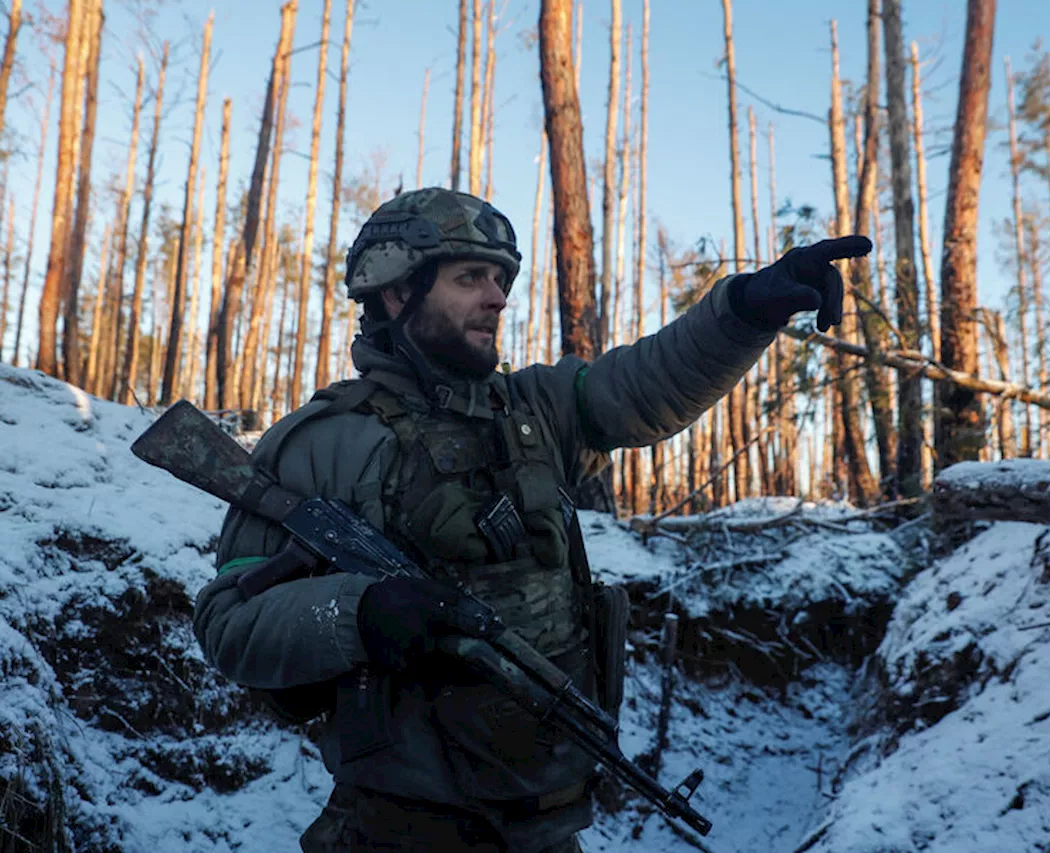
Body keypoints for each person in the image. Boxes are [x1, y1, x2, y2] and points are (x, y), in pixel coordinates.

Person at [192, 187, 871, 852]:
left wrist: (748, 309)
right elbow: (229, 622)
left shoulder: (535, 410)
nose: (497, 296)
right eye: (469, 277)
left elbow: (645, 382)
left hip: (549, 826)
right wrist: (359, 613)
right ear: (396, 292)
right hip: (397, 830)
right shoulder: (320, 442)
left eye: (499, 278)